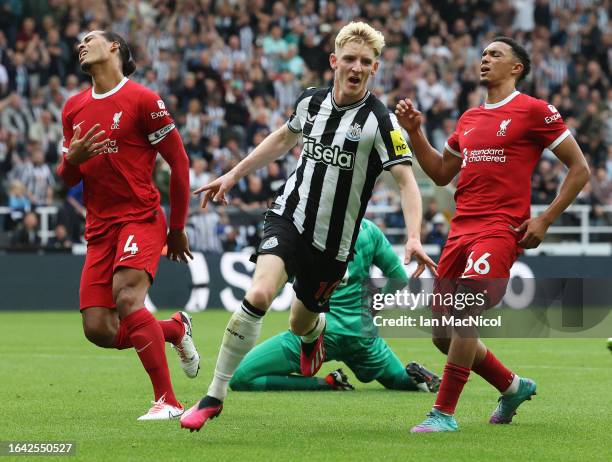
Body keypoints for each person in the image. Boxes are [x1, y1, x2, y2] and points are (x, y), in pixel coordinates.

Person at [181, 21, 436, 432]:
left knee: (300, 322)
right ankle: (214, 395)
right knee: (260, 293)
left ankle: (315, 332)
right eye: (349, 59)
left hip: (332, 248)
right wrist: (232, 175)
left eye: (365, 62)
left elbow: (407, 181)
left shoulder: (380, 121)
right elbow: (281, 140)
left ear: (375, 69)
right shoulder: (310, 102)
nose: (356, 67)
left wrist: (413, 236)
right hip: (289, 217)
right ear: (334, 61)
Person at [395, 37, 589, 432]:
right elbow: (441, 173)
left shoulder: (534, 111)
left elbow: (579, 168)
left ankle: (443, 414)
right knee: (441, 335)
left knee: (466, 311)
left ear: (516, 67)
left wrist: (546, 219)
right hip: (460, 229)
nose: (484, 60)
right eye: (482, 54)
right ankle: (512, 385)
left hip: (500, 229)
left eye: (495, 55)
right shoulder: (469, 118)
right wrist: (415, 133)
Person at [56, 30, 200, 421]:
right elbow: (67, 177)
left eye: (90, 38)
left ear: (115, 47)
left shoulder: (143, 100)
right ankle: (173, 330)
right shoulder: (73, 107)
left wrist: (176, 227)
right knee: (98, 328)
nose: (81, 44)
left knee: (127, 298)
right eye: (78, 41)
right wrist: (74, 159)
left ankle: (168, 400)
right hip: (100, 228)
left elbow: (180, 162)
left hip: (140, 216)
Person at [229, 219, 441, 393]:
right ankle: (415, 377)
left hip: (318, 330)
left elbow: (275, 282)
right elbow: (399, 277)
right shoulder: (369, 231)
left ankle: (327, 383)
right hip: (361, 334)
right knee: (397, 379)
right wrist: (372, 308)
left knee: (241, 378)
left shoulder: (305, 230)